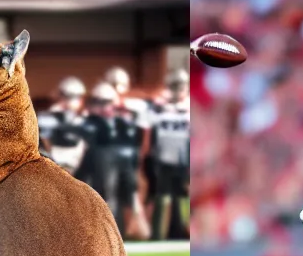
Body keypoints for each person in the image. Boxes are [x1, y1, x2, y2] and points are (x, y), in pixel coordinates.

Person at [83, 82, 143, 234]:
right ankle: (105, 233)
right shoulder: (90, 122)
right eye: (98, 102)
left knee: (127, 196)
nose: (103, 107)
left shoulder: (122, 122)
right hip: (99, 168)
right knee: (106, 196)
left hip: (124, 167)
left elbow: (133, 145)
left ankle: (122, 233)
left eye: (106, 102)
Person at [149, 68, 190, 240]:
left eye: (180, 86)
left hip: (184, 161)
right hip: (163, 159)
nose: (177, 90)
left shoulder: (189, 106)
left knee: (185, 199)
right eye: (174, 86)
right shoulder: (157, 108)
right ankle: (159, 236)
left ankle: (187, 234)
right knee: (163, 198)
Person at [38, 77, 89, 175]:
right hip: (56, 165)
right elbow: (45, 140)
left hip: (76, 165)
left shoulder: (83, 118)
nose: (71, 101)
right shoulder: (48, 117)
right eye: (69, 96)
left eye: (76, 97)